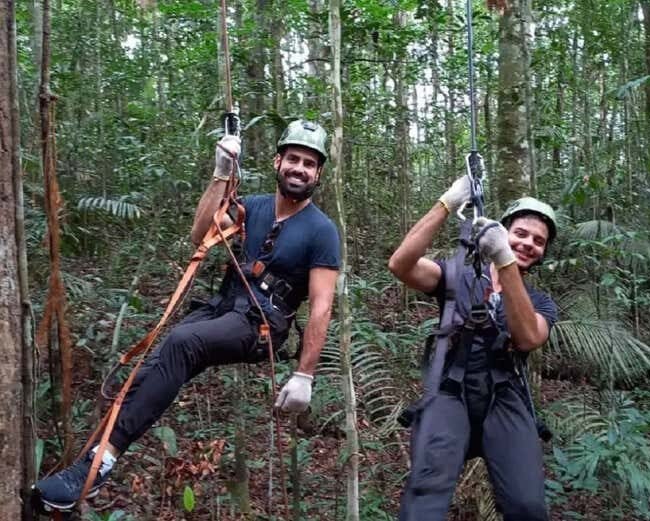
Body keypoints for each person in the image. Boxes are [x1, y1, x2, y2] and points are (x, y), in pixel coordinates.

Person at [33, 119, 341, 513]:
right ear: (277, 161)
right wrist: (221, 174)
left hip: (260, 325)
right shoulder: (254, 206)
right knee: (139, 375)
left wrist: (304, 375)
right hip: (221, 310)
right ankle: (87, 474)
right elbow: (202, 235)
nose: (300, 169)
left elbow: (321, 305)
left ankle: (98, 465)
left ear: (318, 174)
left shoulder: (322, 230)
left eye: (309, 164)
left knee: (183, 343)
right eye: (293, 159)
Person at [388, 175, 558, 521]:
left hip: (506, 396)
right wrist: (447, 203)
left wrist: (504, 258)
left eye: (538, 241)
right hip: (451, 391)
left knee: (528, 506)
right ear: (504, 230)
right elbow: (401, 265)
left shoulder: (540, 302)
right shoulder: (455, 276)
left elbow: (528, 337)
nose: (528, 244)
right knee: (425, 495)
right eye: (520, 234)